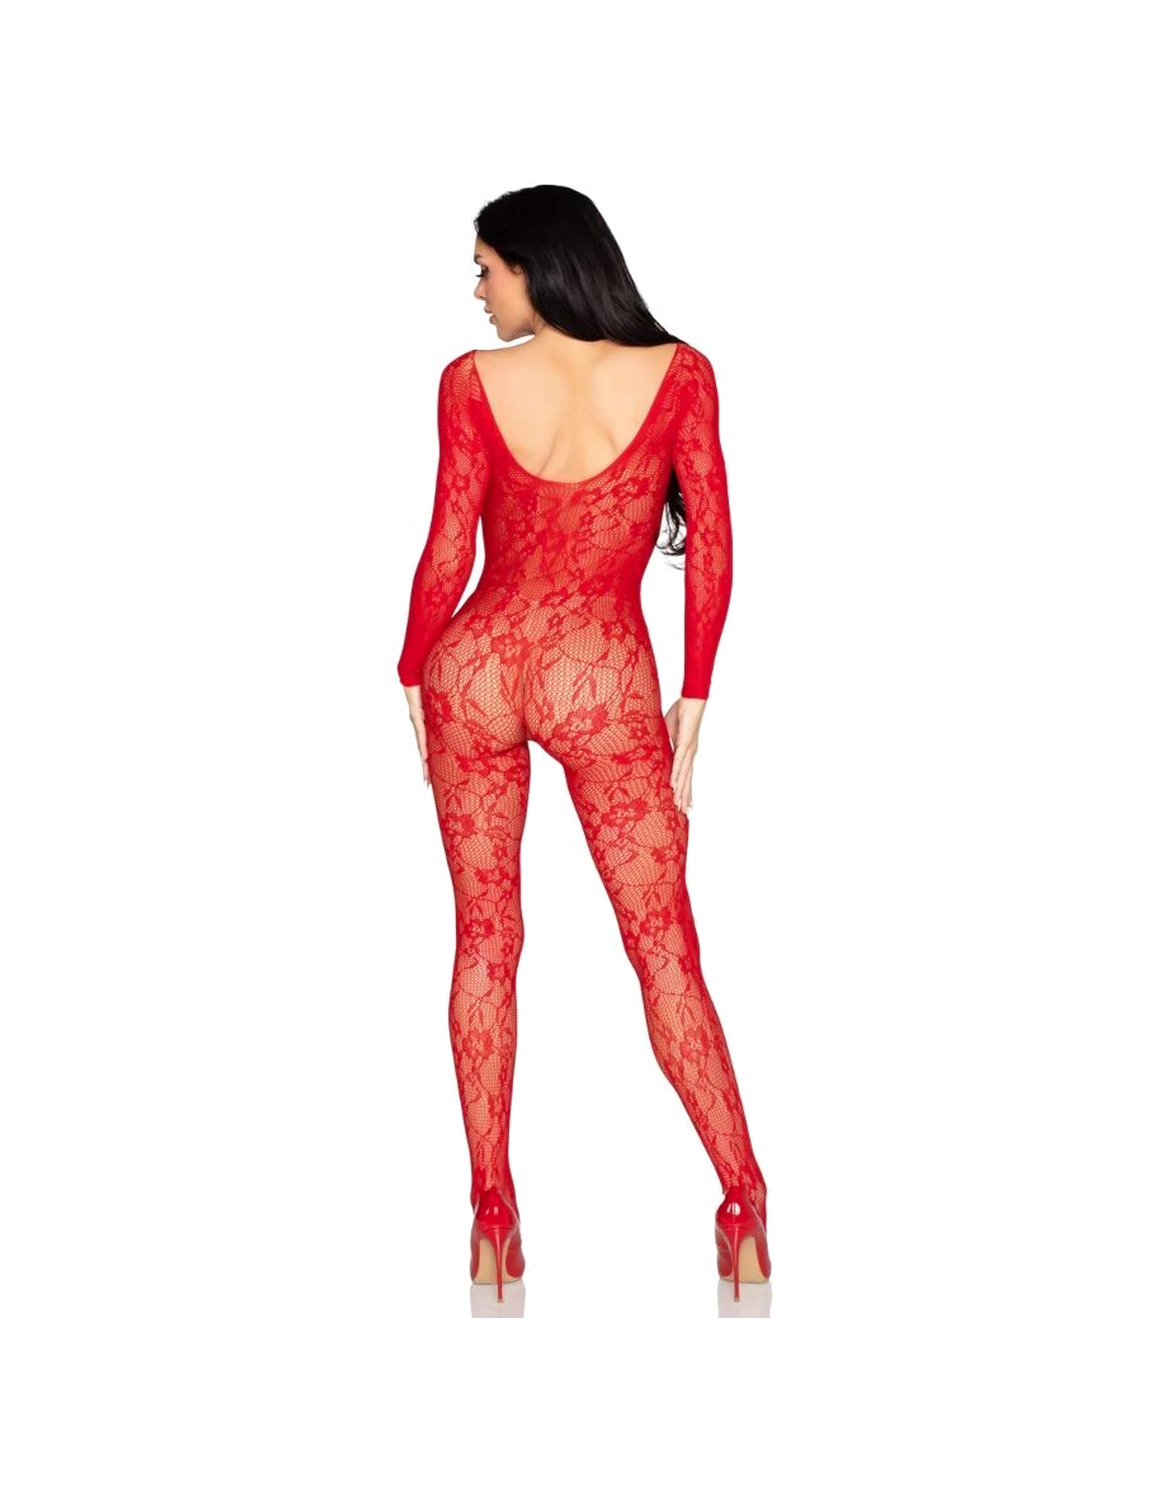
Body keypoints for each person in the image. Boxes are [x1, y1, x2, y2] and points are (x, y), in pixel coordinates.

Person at [397, 185, 770, 1301]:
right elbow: (713, 543)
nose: (476, 291)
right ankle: (742, 1202)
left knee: (484, 943)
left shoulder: (471, 384)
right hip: (599, 673)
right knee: (664, 954)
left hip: (476, 665)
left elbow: (445, 550)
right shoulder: (681, 375)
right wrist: (694, 697)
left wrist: (411, 670)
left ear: (537, 265)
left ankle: (491, 1211)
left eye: (486, 268)